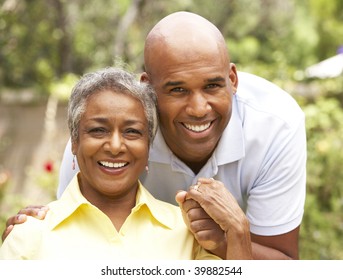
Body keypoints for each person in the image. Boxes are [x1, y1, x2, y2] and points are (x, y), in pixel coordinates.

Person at [2, 11, 306, 260]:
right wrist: (32, 234)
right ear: (147, 87)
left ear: (233, 79)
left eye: (213, 86)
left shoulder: (275, 125)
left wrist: (230, 238)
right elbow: (71, 224)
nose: (199, 109)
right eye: (177, 89)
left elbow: (284, 261)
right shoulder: (93, 145)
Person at [0, 67, 227, 259]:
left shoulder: (190, 234)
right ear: (75, 141)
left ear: (148, 147)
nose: (116, 146)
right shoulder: (28, 237)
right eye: (98, 130)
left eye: (131, 131)